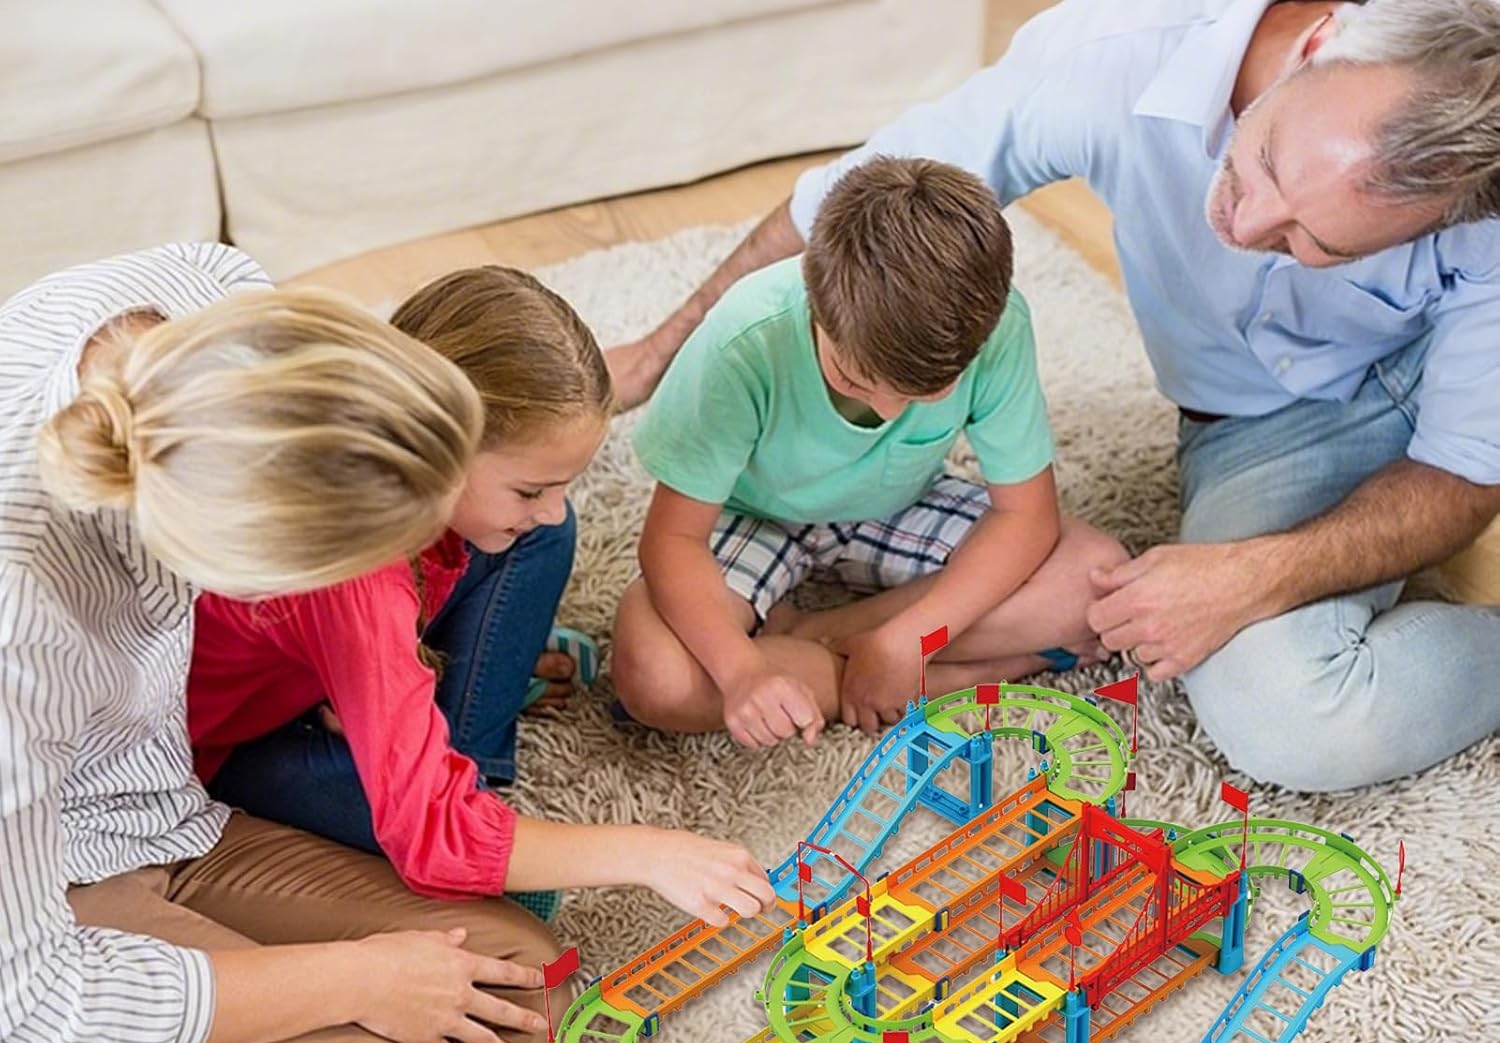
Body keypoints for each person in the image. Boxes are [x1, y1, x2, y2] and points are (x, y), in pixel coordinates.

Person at [0, 245, 692, 1043]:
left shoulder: (218, 304)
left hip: (155, 813)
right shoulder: (22, 630)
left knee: (513, 986)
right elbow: (37, 1002)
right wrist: (354, 982)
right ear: (247, 577)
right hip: (39, 952)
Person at [606, 0, 1500, 791]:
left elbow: (1466, 472)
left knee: (1278, 711)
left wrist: (1255, 574)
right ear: (1318, 39)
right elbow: (854, 204)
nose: (1247, 224)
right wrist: (656, 353)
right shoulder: (1121, 47)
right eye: (1263, 161)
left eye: (1320, 245)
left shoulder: (1483, 211)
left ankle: (829, 646)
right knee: (1132, 614)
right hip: (1261, 425)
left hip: (1435, 437)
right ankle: (842, 648)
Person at [190, 266, 773, 926]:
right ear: (438, 445)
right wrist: (650, 852)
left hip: (318, 667)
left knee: (539, 538)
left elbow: (530, 525)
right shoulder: (359, 572)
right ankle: (446, 763)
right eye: (531, 489)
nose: (553, 506)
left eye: (561, 484)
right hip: (239, 745)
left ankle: (437, 747)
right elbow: (430, 837)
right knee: (486, 875)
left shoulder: (397, 452)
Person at [612, 157, 1127, 747]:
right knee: (655, 673)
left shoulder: (998, 325)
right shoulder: (747, 337)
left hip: (900, 503)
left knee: (1097, 578)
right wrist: (741, 672)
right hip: (752, 512)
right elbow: (674, 539)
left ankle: (824, 637)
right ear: (815, 299)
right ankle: (966, 677)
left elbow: (1026, 515)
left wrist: (912, 639)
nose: (887, 411)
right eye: (853, 381)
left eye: (925, 393)